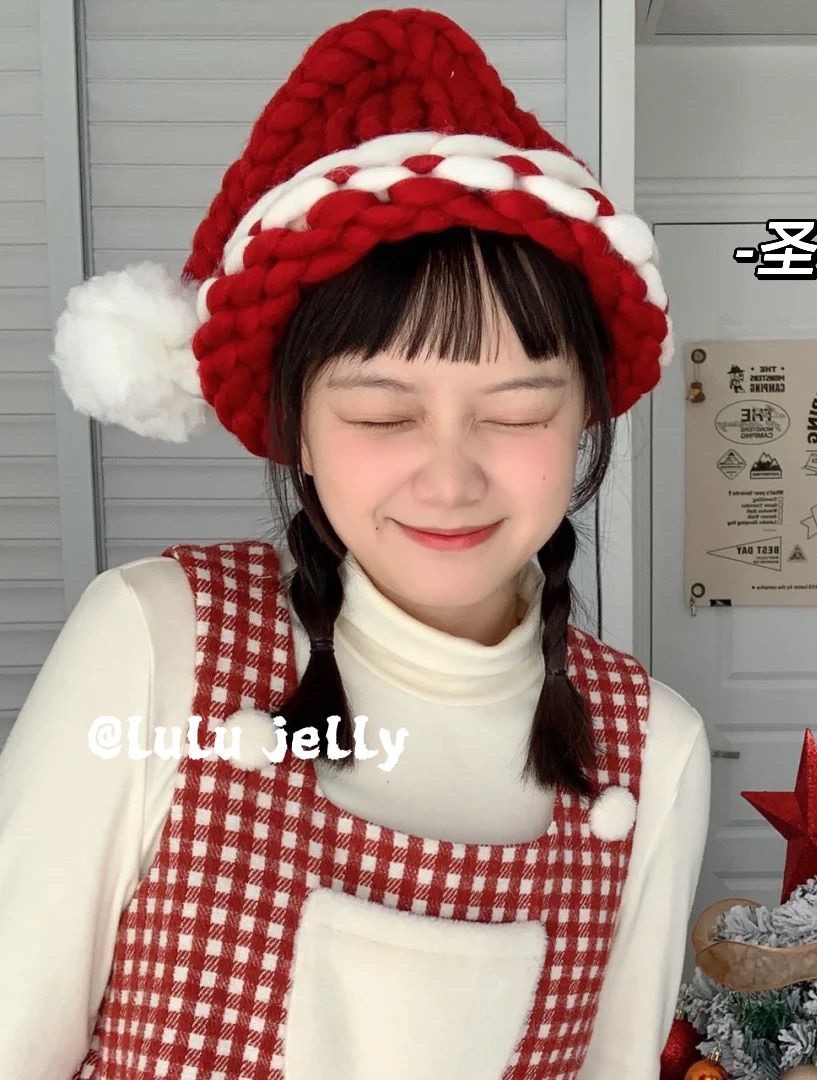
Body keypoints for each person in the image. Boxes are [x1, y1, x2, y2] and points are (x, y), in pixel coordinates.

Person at [0, 8, 711, 1079]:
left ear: (584, 417)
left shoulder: (652, 752)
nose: (450, 477)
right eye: (383, 414)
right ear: (297, 425)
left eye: (517, 410)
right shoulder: (158, 644)